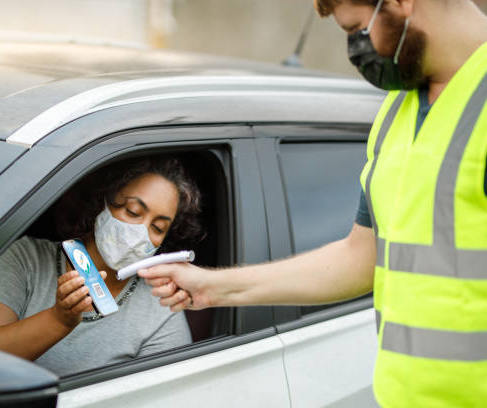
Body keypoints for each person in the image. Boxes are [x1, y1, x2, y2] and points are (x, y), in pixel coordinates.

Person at [139, 1, 487, 406]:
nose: (358, 50)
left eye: (357, 29)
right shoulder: (398, 109)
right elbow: (359, 257)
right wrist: (213, 287)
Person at [0, 156, 203, 376]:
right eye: (133, 211)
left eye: (158, 228)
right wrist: (58, 321)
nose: (141, 233)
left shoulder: (161, 309)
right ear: (101, 200)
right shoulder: (26, 259)